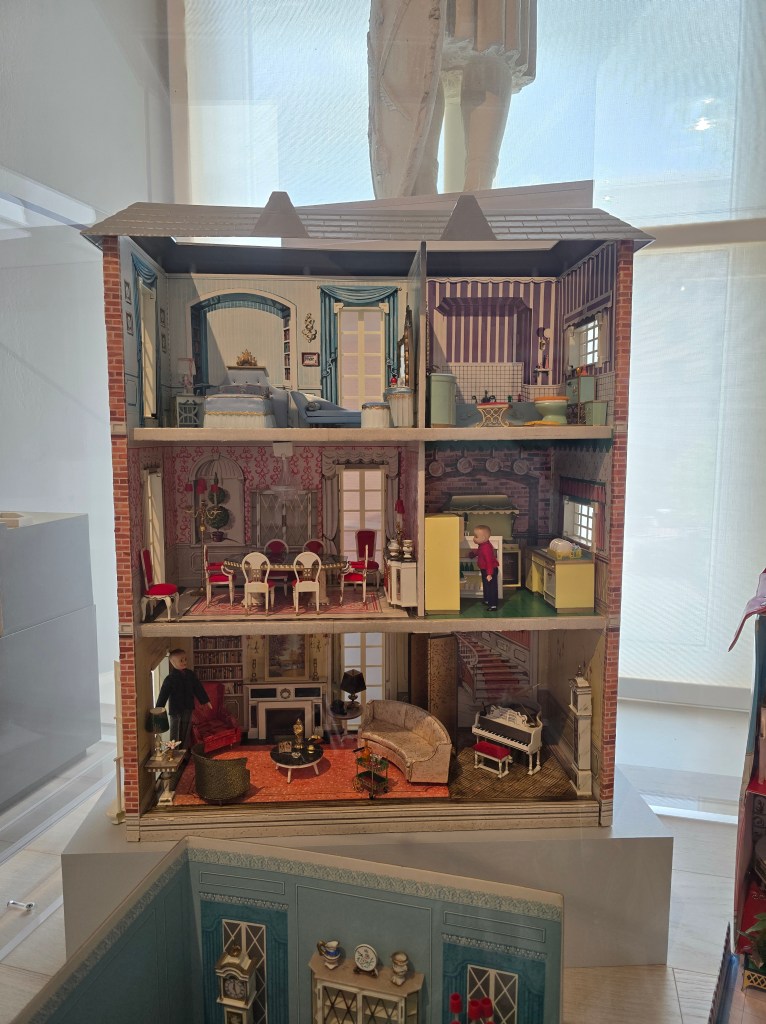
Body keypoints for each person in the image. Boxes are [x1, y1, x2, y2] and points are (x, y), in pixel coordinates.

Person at [156, 649, 211, 750]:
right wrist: (159, 708)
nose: (184, 662)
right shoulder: (170, 679)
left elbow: (198, 688)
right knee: (175, 731)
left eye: (185, 659)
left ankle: (183, 752)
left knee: (185, 731)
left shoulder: (190, 675)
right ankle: (173, 752)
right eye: (181, 660)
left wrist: (205, 701)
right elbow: (163, 694)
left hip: (188, 707)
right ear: (173, 662)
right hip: (175, 709)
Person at [470, 524, 499, 611]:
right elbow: (478, 552)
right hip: (485, 569)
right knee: (486, 586)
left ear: (483, 538)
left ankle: (493, 605)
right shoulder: (482, 545)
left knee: (491, 588)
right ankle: (487, 600)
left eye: (476, 536)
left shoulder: (486, 548)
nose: (474, 538)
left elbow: (489, 562)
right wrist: (473, 554)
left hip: (490, 570)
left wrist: (489, 574)